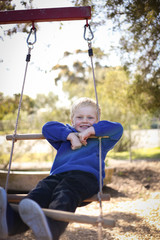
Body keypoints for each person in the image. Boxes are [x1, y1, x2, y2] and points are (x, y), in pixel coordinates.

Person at [0, 97, 123, 240]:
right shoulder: (65, 137)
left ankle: (52, 229)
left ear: (97, 121)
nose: (84, 120)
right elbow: (47, 127)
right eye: (79, 117)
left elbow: (118, 128)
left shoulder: (102, 139)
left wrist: (91, 131)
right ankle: (11, 224)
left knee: (65, 192)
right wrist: (70, 136)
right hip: (57, 176)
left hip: (86, 178)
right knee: (39, 192)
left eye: (90, 117)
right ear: (72, 120)